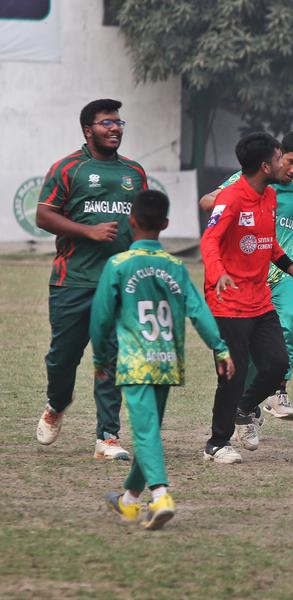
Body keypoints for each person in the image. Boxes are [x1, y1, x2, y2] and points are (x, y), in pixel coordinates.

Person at [90, 190, 235, 529]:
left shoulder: (119, 264)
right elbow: (198, 310)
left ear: (131, 222)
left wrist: (100, 360)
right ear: (166, 224)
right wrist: (221, 347)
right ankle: (128, 501)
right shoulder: (175, 266)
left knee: (144, 432)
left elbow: (100, 319)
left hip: (135, 362)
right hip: (167, 360)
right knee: (148, 431)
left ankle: (161, 495)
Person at [34, 98, 147, 461]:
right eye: (106, 122)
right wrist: (88, 232)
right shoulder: (68, 168)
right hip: (73, 281)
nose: (115, 128)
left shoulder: (134, 172)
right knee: (62, 359)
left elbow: (142, 219)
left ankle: (107, 437)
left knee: (110, 359)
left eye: (119, 122)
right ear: (88, 129)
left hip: (118, 285)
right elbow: (43, 216)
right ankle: (57, 403)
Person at [200, 132, 293, 464]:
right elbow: (210, 241)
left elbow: (271, 244)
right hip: (229, 299)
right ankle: (217, 442)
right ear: (266, 165)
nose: (288, 164)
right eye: (283, 157)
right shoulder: (232, 197)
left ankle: (245, 405)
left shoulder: (269, 197)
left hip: (260, 297)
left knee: (277, 363)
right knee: (232, 374)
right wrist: (217, 273)